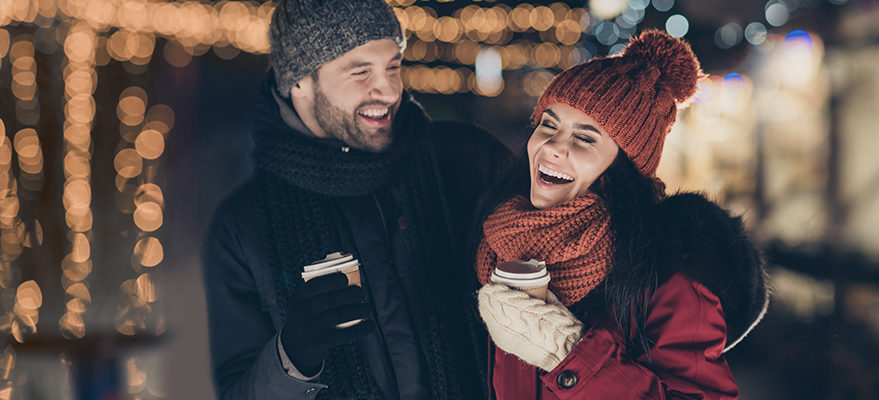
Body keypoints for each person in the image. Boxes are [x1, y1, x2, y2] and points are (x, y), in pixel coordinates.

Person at [201, 0, 508, 398]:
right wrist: (293, 355)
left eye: (393, 66)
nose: (389, 89)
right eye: (360, 71)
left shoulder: (469, 158)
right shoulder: (242, 224)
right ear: (298, 82)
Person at [473, 30, 770, 399]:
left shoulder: (669, 269)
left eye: (585, 138)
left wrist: (568, 354)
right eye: (549, 124)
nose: (552, 147)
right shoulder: (498, 237)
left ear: (623, 166)